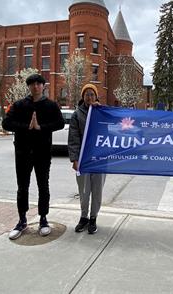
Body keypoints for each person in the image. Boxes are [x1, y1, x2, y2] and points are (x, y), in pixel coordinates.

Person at [2, 74, 65, 240]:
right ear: (28, 87)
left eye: (39, 84)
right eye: (32, 84)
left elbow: (60, 123)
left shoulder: (51, 105)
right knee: (22, 187)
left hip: (42, 152)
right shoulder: (19, 105)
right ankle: (22, 220)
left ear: (43, 86)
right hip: (22, 152)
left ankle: (43, 219)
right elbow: (6, 123)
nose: (35, 86)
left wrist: (40, 127)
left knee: (43, 185)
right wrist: (27, 127)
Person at [68, 84, 105, 234]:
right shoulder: (77, 115)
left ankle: (93, 218)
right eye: (87, 94)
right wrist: (74, 159)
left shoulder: (102, 113)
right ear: (83, 97)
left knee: (97, 190)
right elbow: (73, 139)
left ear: (96, 96)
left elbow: (108, 134)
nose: (89, 97)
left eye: (92, 94)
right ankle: (83, 217)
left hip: (100, 159)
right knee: (84, 191)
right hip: (83, 159)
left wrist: (99, 111)